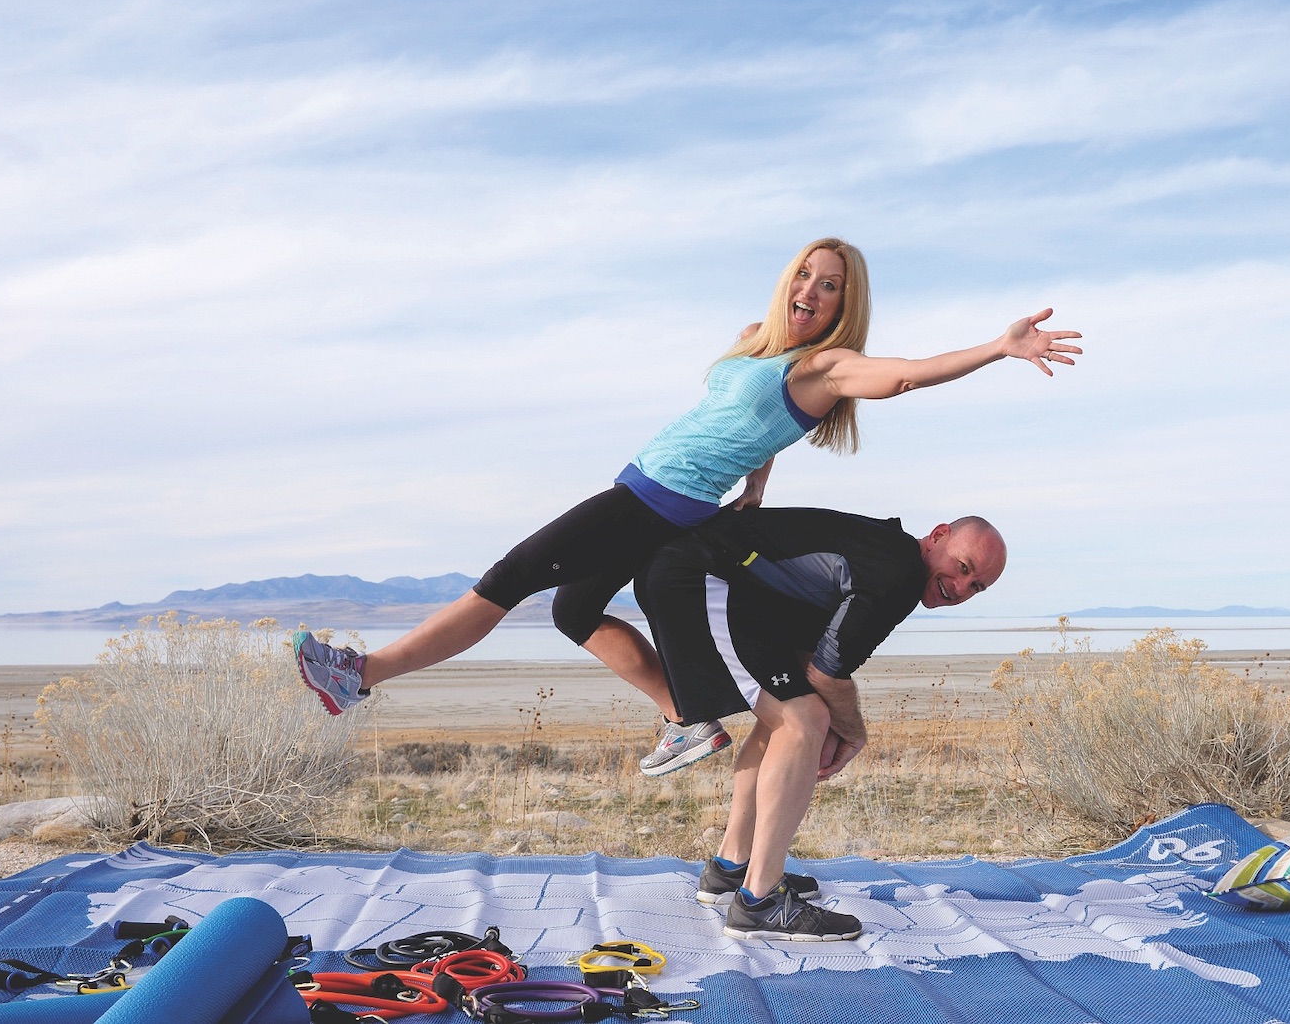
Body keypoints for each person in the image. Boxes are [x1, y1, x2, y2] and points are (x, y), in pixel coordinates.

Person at [293, 237, 1076, 777]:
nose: (811, 289)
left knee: (513, 574)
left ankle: (358, 676)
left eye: (830, 284)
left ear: (845, 304)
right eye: (806, 273)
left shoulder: (828, 365)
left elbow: (906, 374)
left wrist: (996, 348)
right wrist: (761, 477)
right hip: (649, 488)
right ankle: (688, 714)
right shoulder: (756, 339)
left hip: (659, 503)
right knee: (572, 611)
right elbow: (745, 421)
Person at [631, 504, 1005, 941]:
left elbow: (814, 657)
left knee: (789, 719)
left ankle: (732, 871)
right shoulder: (896, 572)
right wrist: (854, 734)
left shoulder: (889, 559)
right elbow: (828, 671)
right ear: (939, 534)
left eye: (975, 586)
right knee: (804, 720)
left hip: (717, 583)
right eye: (963, 567)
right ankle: (759, 901)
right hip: (700, 577)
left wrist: (834, 724)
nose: (961, 587)